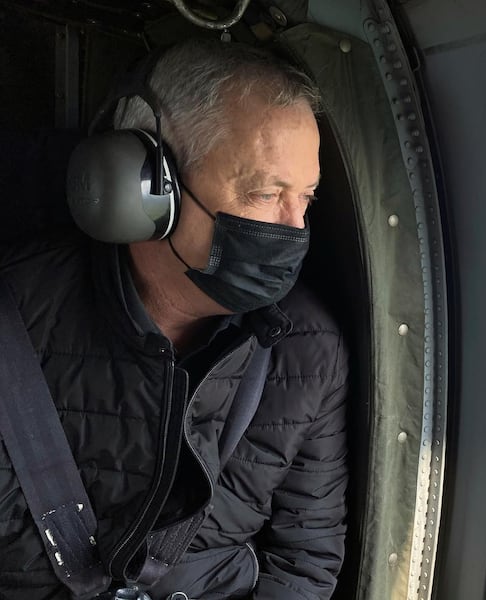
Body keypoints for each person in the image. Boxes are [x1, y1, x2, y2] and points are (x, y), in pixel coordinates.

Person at [0, 38, 348, 600]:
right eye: (264, 193)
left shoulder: (309, 349)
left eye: (304, 198)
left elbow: (305, 558)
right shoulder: (12, 320)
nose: (293, 230)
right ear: (143, 187)